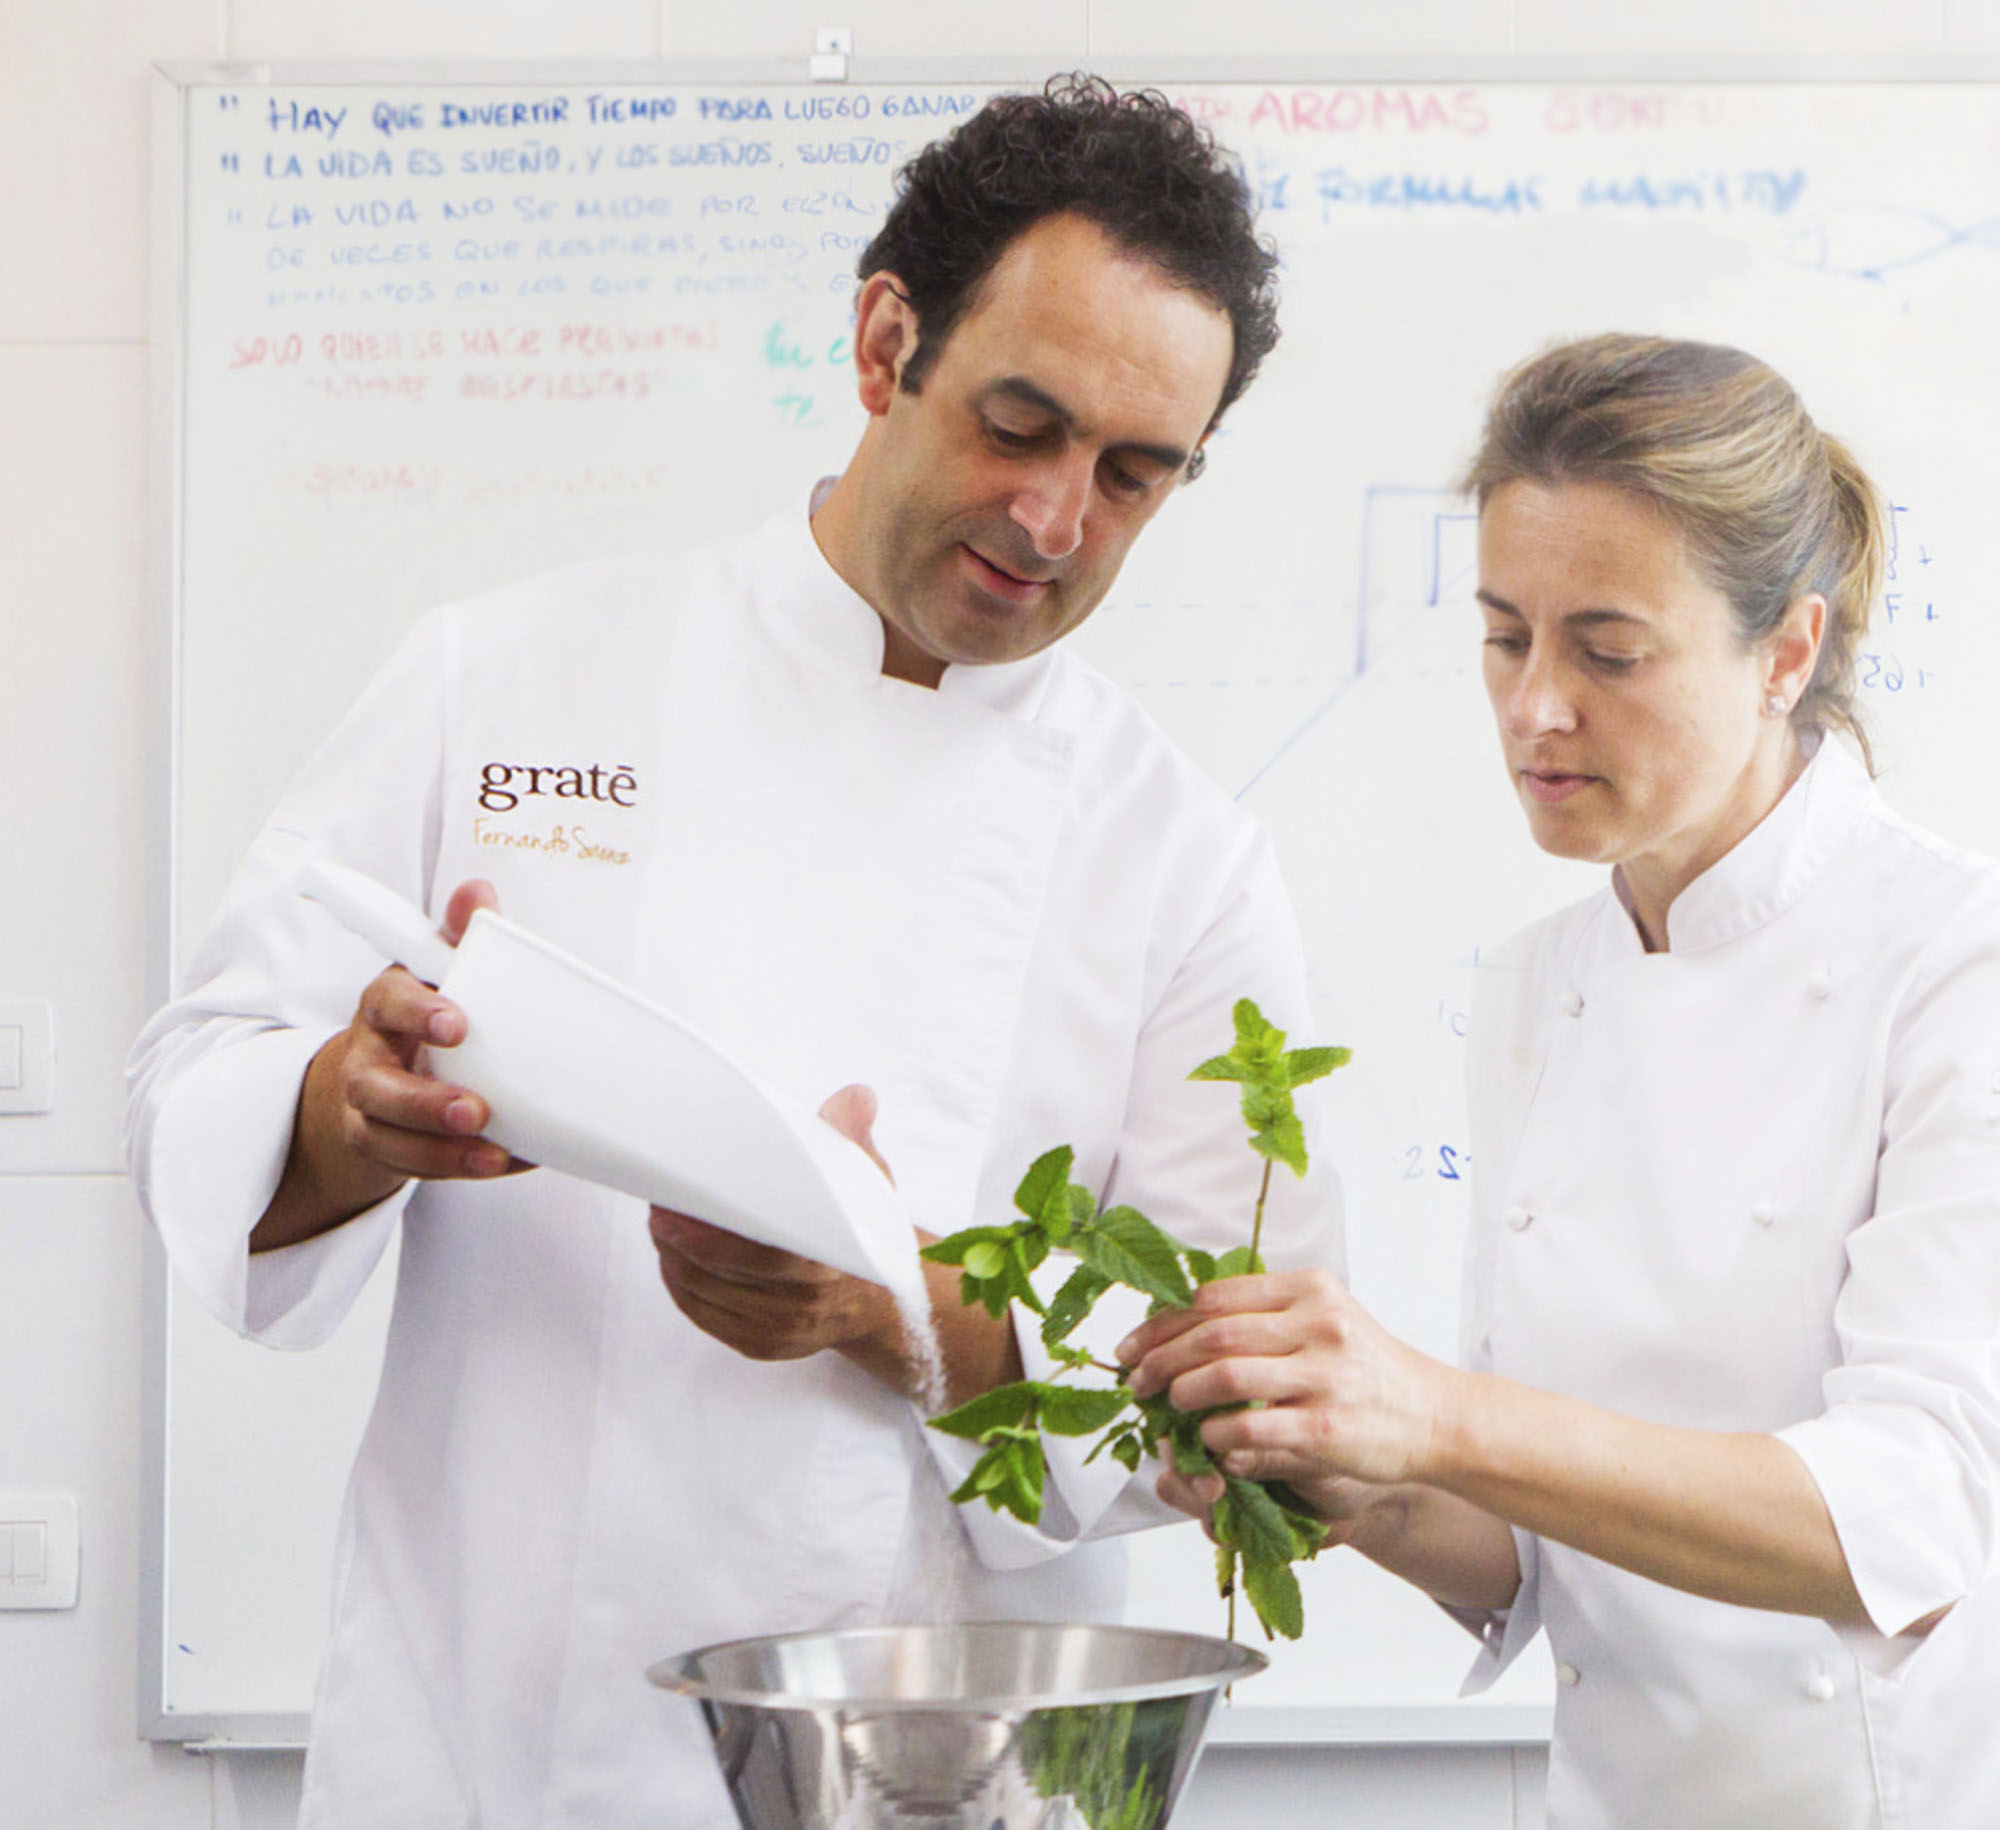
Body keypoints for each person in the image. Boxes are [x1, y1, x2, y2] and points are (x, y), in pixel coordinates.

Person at [126, 77, 1341, 1830]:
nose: (1058, 520)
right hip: (496, 1735)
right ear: (882, 341)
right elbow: (197, 1085)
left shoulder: (1185, 859)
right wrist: (344, 1108)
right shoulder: (508, 679)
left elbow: (1229, 1381)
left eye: (1135, 475)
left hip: (939, 1765)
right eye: (1021, 423)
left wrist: (899, 1314)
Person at [1122, 334, 2000, 1828]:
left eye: (1607, 649)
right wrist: (1346, 1474)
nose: (1535, 708)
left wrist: (1437, 1415)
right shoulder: (1541, 985)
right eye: (1504, 634)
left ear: (1786, 650)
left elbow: (1909, 1515)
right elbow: (1531, 1549)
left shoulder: (1955, 964)